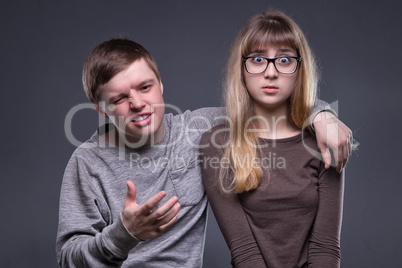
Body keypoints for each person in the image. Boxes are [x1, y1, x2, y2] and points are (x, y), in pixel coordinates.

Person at [56, 37, 352, 267]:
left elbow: (271, 104)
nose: (137, 103)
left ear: (160, 84)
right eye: (120, 98)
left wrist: (322, 114)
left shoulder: (198, 131)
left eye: (144, 87)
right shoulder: (88, 162)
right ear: (100, 110)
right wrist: (124, 235)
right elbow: (68, 259)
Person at [200, 10, 353, 267]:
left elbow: (325, 247)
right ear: (242, 68)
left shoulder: (323, 140)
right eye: (258, 59)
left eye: (284, 60)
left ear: (299, 69)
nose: (270, 73)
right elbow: (244, 252)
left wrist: (322, 115)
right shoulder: (216, 144)